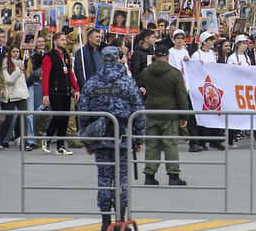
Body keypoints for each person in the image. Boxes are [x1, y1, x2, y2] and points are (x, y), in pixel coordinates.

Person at [76, 46, 145, 231]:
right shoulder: (128, 83)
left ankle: (106, 221)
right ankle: (121, 220)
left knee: (104, 178)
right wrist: (139, 138)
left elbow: (82, 112)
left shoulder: (92, 83)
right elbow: (139, 112)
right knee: (121, 178)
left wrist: (86, 139)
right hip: (122, 138)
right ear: (118, 59)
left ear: (102, 60)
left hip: (99, 138)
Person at [138, 45, 189, 186]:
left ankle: (149, 175)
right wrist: (184, 115)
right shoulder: (174, 73)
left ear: (154, 57)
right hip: (169, 112)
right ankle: (173, 175)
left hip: (151, 111)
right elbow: (181, 96)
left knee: (152, 145)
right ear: (167, 57)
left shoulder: (146, 72)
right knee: (170, 144)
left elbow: (141, 84)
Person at [42, 32, 81, 155]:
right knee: (57, 116)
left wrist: (76, 89)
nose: (65, 42)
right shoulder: (49, 56)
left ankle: (61, 146)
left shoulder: (66, 55)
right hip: (55, 91)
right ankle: (47, 138)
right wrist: (45, 94)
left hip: (66, 90)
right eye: (62, 40)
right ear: (55, 41)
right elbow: (45, 76)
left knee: (65, 118)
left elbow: (70, 72)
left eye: (65, 40)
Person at [0, 46, 29, 148]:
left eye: (17, 52)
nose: (16, 53)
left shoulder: (22, 63)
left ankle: (24, 141)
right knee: (8, 120)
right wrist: (19, 71)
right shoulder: (6, 64)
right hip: (11, 95)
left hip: (21, 95)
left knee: (23, 119)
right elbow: (9, 80)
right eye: (13, 52)